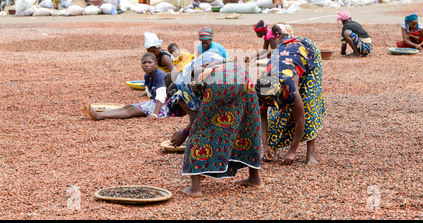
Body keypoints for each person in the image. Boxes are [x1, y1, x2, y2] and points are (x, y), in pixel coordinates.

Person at [168, 52, 263, 197]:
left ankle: (194, 189)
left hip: (219, 80)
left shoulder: (179, 89)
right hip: (242, 73)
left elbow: (196, 119)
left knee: (200, 132)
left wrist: (184, 134)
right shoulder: (197, 63)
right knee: (247, 126)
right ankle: (255, 179)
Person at [256, 37, 325, 165]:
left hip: (308, 51)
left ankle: (310, 153)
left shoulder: (289, 86)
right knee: (275, 115)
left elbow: (300, 119)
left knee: (309, 104)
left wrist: (292, 151)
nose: (270, 106)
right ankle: (271, 149)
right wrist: (264, 146)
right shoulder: (262, 88)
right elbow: (263, 118)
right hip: (285, 51)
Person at [84, 53, 169, 121]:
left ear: (155, 64)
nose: (146, 65)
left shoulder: (160, 75)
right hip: (157, 103)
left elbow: (161, 97)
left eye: (149, 63)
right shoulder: (147, 76)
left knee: (132, 110)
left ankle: (98, 116)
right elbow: (151, 96)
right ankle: (101, 113)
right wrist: (148, 106)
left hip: (167, 106)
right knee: (128, 106)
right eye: (144, 63)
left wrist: (154, 114)